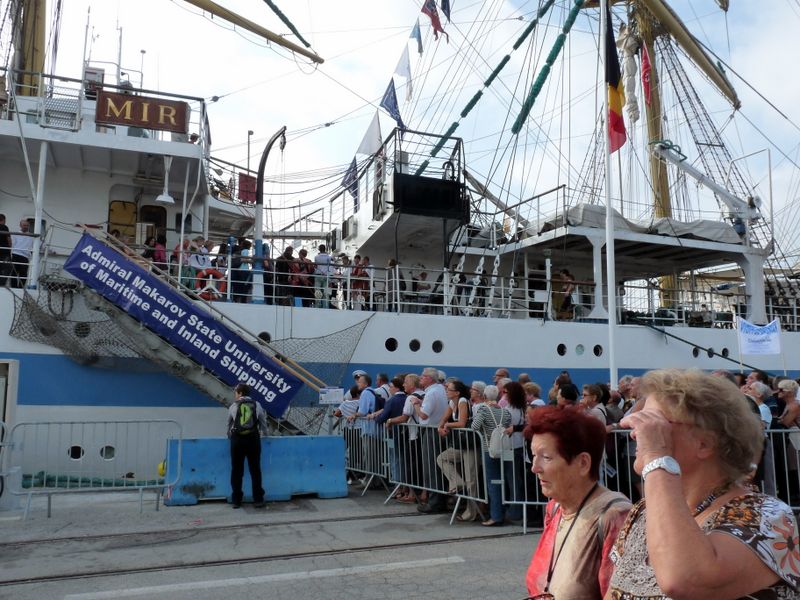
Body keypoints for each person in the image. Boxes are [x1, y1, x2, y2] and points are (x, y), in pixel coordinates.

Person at [608, 369, 800, 599]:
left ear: (704, 444)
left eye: (654, 423)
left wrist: (656, 456)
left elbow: (684, 579)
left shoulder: (767, 518)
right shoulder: (644, 513)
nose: (635, 432)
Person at [525, 405, 631, 598]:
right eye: (533, 455)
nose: (535, 468)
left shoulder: (615, 516)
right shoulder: (555, 508)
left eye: (546, 457)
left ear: (583, 463)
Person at [471, 384, 511, 526]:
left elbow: (474, 427)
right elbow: (508, 427)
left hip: (489, 449)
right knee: (503, 482)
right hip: (504, 449)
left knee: (492, 483)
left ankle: (496, 516)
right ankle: (502, 513)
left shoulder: (484, 409)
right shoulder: (505, 412)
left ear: (485, 396)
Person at [226, 383, 267, 509]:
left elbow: (229, 424)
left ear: (240, 393)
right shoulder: (257, 405)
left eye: (236, 392)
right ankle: (258, 499)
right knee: (255, 469)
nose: (235, 394)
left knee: (237, 470)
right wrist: (265, 434)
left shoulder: (233, 406)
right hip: (253, 439)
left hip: (237, 440)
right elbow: (263, 423)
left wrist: (230, 436)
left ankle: (236, 500)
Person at [11, 219, 33, 288]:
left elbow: (39, 244)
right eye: (24, 225)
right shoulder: (15, 234)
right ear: (20, 225)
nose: (25, 227)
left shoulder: (32, 236)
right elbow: (12, 244)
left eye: (27, 225)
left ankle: (21, 288)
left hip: (25, 256)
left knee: (23, 274)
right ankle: (14, 288)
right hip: (16, 254)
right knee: (13, 273)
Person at [0, 214, 11, 286]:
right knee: (6, 269)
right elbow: (9, 241)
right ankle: (1, 285)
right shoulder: (4, 227)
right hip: (4, 252)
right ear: (3, 220)